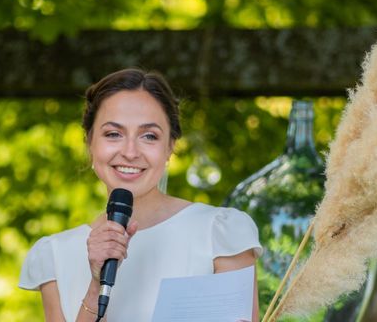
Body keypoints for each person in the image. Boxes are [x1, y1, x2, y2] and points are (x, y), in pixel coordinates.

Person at [19, 68, 262, 321]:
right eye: (113, 134)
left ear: (170, 147)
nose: (131, 152)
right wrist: (95, 286)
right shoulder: (56, 255)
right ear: (90, 142)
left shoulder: (220, 233)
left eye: (149, 136)